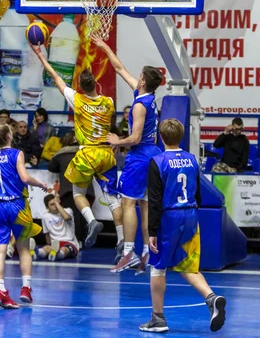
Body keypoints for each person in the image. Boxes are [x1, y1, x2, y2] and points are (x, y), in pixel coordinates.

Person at [32, 44, 121, 249]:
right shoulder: (108, 102)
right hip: (106, 154)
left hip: (87, 153)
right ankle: (123, 241)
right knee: (113, 199)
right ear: (96, 83)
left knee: (78, 194)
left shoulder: (77, 100)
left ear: (80, 86)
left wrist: (41, 56)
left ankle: (92, 221)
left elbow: (55, 77)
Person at [140, 119, 226, 334]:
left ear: (160, 137)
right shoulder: (192, 160)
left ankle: (158, 318)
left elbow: (155, 200)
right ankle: (211, 298)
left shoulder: (157, 161)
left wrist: (151, 232)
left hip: (169, 217)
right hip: (190, 215)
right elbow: (198, 193)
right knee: (188, 265)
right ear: (181, 136)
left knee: (158, 267)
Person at [94, 37, 164, 273]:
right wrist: (105, 48)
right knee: (144, 205)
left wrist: (117, 141)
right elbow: (120, 68)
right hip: (153, 153)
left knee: (127, 202)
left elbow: (134, 138)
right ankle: (146, 252)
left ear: (143, 80)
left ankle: (128, 253)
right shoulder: (148, 97)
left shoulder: (139, 105)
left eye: (140, 75)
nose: (137, 75)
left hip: (140, 155)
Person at [0, 123, 47, 309]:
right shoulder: (16, 154)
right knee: (24, 249)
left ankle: (0, 289)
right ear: (10, 136)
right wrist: (41, 184)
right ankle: (26, 288)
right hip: (17, 205)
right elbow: (25, 178)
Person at [30, 194, 79, 261]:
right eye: (52, 204)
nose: (55, 205)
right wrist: (49, 245)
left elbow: (66, 217)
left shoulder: (68, 210)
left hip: (69, 242)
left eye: (56, 203)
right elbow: (47, 234)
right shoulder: (45, 216)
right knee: (46, 248)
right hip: (54, 243)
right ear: (47, 208)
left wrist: (56, 203)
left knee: (64, 250)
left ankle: (57, 254)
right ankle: (35, 253)